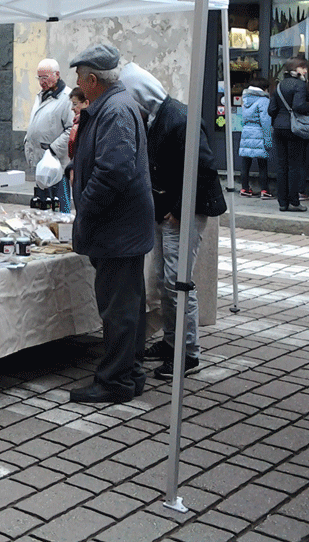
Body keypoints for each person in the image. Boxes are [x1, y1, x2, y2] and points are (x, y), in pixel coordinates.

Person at [122, 63, 227, 380]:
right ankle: (172, 343)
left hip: (182, 211)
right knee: (167, 281)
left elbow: (203, 168)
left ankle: (187, 353)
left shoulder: (178, 118)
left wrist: (180, 209)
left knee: (179, 283)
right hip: (169, 209)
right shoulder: (159, 116)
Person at [68, 43, 154, 404]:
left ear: (91, 80)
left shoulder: (115, 109)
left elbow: (114, 170)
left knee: (118, 308)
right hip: (122, 228)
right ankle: (129, 371)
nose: (76, 81)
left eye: (78, 76)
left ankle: (115, 380)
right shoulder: (114, 105)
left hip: (118, 229)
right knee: (128, 304)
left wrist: (85, 207)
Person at [268, 58, 309, 212]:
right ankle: (294, 202)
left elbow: (271, 110)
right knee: (294, 166)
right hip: (294, 129)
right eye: (304, 69)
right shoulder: (300, 85)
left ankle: (282, 202)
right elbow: (299, 106)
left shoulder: (280, 85)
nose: (306, 72)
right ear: (298, 69)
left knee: (282, 166)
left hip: (279, 127)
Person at [25, 58, 73, 209]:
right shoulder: (41, 95)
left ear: (57, 75)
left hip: (57, 163)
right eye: (39, 77)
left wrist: (52, 150)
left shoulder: (67, 98)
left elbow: (71, 129)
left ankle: (62, 232)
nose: (41, 81)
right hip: (41, 161)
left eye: (45, 77)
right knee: (42, 207)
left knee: (60, 204)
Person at [238, 77, 274, 198]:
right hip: (259, 133)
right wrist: (268, 140)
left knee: (245, 162)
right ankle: (265, 190)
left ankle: (244, 188)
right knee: (262, 163)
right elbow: (266, 121)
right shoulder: (263, 100)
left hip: (246, 132)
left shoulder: (245, 99)